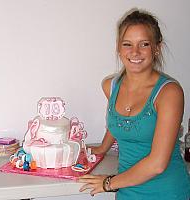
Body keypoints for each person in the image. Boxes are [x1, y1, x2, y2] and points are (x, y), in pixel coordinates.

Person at [78, 8, 190, 200]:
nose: (135, 52)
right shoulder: (110, 87)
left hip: (166, 191)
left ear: (157, 48)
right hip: (127, 189)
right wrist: (103, 148)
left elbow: (158, 163)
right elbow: (117, 121)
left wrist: (108, 183)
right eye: (127, 44)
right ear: (118, 48)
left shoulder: (169, 93)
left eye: (144, 44)